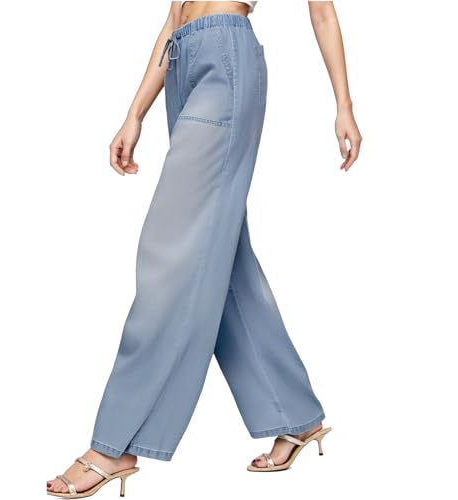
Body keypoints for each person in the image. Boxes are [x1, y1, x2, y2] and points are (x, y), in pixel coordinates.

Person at [47, 0, 362, 497]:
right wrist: (134, 114)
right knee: (223, 256)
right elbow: (174, 16)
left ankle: (116, 443)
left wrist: (344, 105)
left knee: (170, 254)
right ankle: (295, 414)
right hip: (181, 61)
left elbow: (321, 11)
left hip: (228, 58)